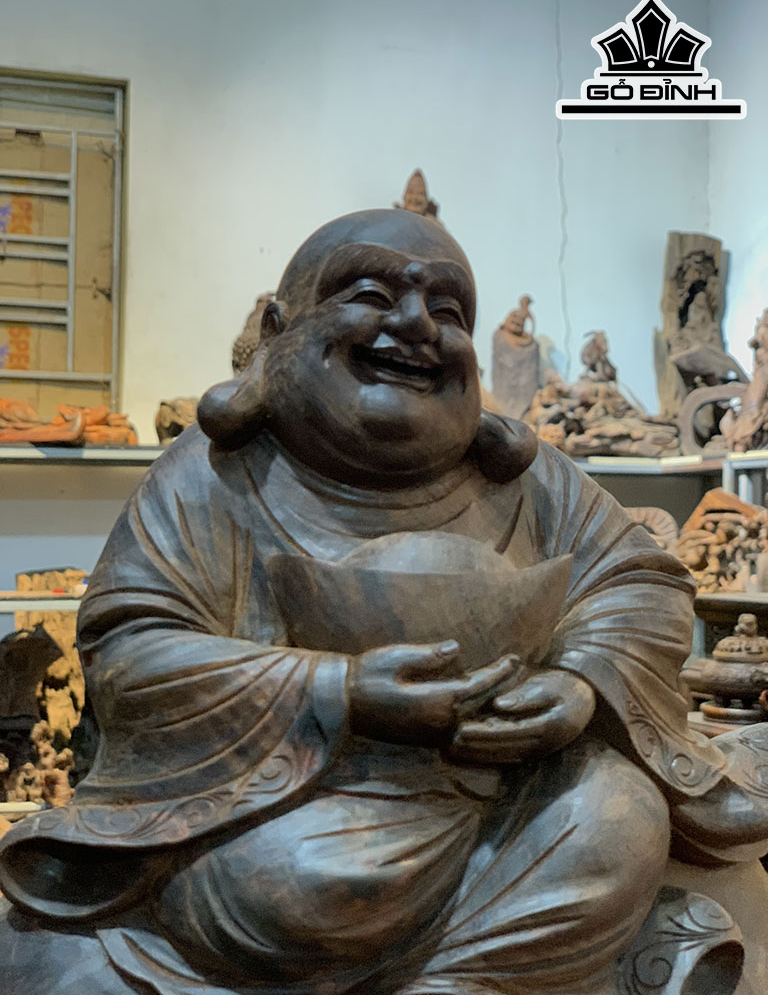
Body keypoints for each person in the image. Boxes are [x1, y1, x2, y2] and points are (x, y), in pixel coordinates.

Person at [1, 209, 766, 995]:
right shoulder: (213, 475)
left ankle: (460, 981)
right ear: (278, 329)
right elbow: (130, 647)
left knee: (618, 814)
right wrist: (341, 692)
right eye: (371, 295)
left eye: (447, 310)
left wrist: (580, 681)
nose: (416, 326)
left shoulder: (530, 482)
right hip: (284, 806)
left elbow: (641, 582)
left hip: (504, 795)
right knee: (309, 884)